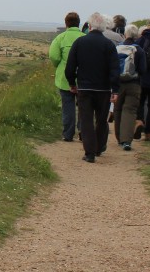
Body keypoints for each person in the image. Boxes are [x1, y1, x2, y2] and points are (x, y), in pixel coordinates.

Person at [65, 12, 120, 162]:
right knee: (102, 120)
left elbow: (70, 67)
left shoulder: (80, 43)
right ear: (104, 27)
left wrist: (72, 83)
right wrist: (115, 89)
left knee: (86, 119)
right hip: (103, 89)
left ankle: (89, 153)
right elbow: (115, 69)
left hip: (84, 88)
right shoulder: (108, 45)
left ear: (89, 26)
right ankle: (99, 147)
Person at [49, 12, 85, 142]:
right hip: (83, 78)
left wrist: (60, 65)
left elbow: (54, 56)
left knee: (67, 106)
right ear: (78, 23)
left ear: (66, 24)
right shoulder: (84, 37)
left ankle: (68, 134)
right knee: (83, 106)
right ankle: (83, 131)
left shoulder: (60, 38)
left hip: (64, 78)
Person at [113, 24, 147, 151]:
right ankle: (126, 141)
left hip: (118, 84)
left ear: (125, 34)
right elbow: (143, 69)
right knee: (130, 111)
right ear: (136, 36)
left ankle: (118, 137)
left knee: (118, 110)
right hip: (134, 84)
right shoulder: (139, 50)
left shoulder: (117, 48)